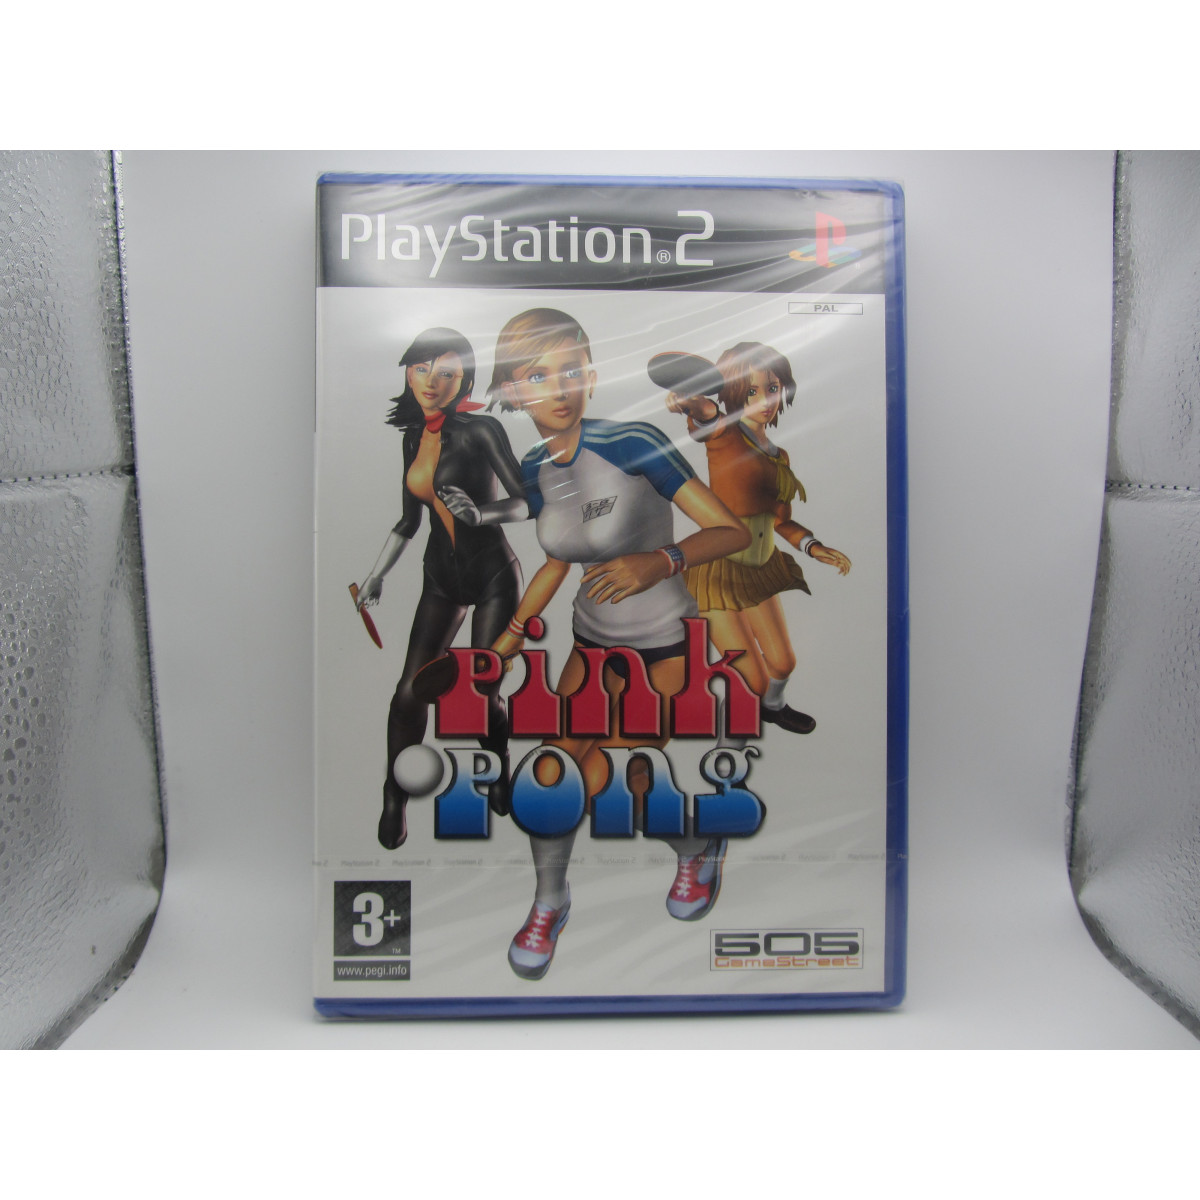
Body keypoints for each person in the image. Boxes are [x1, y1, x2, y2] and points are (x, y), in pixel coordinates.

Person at [478, 308, 750, 980]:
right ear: (511, 391)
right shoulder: (536, 466)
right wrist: (508, 639)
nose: (558, 388)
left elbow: (732, 532)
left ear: (592, 376)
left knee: (621, 782)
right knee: (552, 773)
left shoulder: (633, 441)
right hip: (590, 640)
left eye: (570, 370)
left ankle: (698, 847)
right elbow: (556, 560)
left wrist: (661, 562)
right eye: (536, 376)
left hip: (665, 639)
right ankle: (549, 902)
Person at [356, 327, 528, 850]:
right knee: (409, 693)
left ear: (465, 381)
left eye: (447, 372)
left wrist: (483, 513)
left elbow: (529, 501)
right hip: (441, 577)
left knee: (480, 693)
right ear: (408, 375)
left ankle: (497, 764)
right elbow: (408, 520)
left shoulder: (482, 430)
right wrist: (376, 574)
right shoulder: (412, 437)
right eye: (422, 369)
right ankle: (394, 796)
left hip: (493, 575)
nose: (432, 381)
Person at [662, 341, 851, 737]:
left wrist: (814, 546)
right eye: (751, 391)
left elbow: (781, 520)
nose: (765, 400)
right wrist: (691, 404)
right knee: (753, 677)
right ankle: (731, 736)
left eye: (773, 387)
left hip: (761, 568)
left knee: (783, 664)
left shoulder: (779, 455)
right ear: (732, 394)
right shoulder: (726, 434)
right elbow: (706, 418)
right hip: (718, 570)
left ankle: (772, 709)